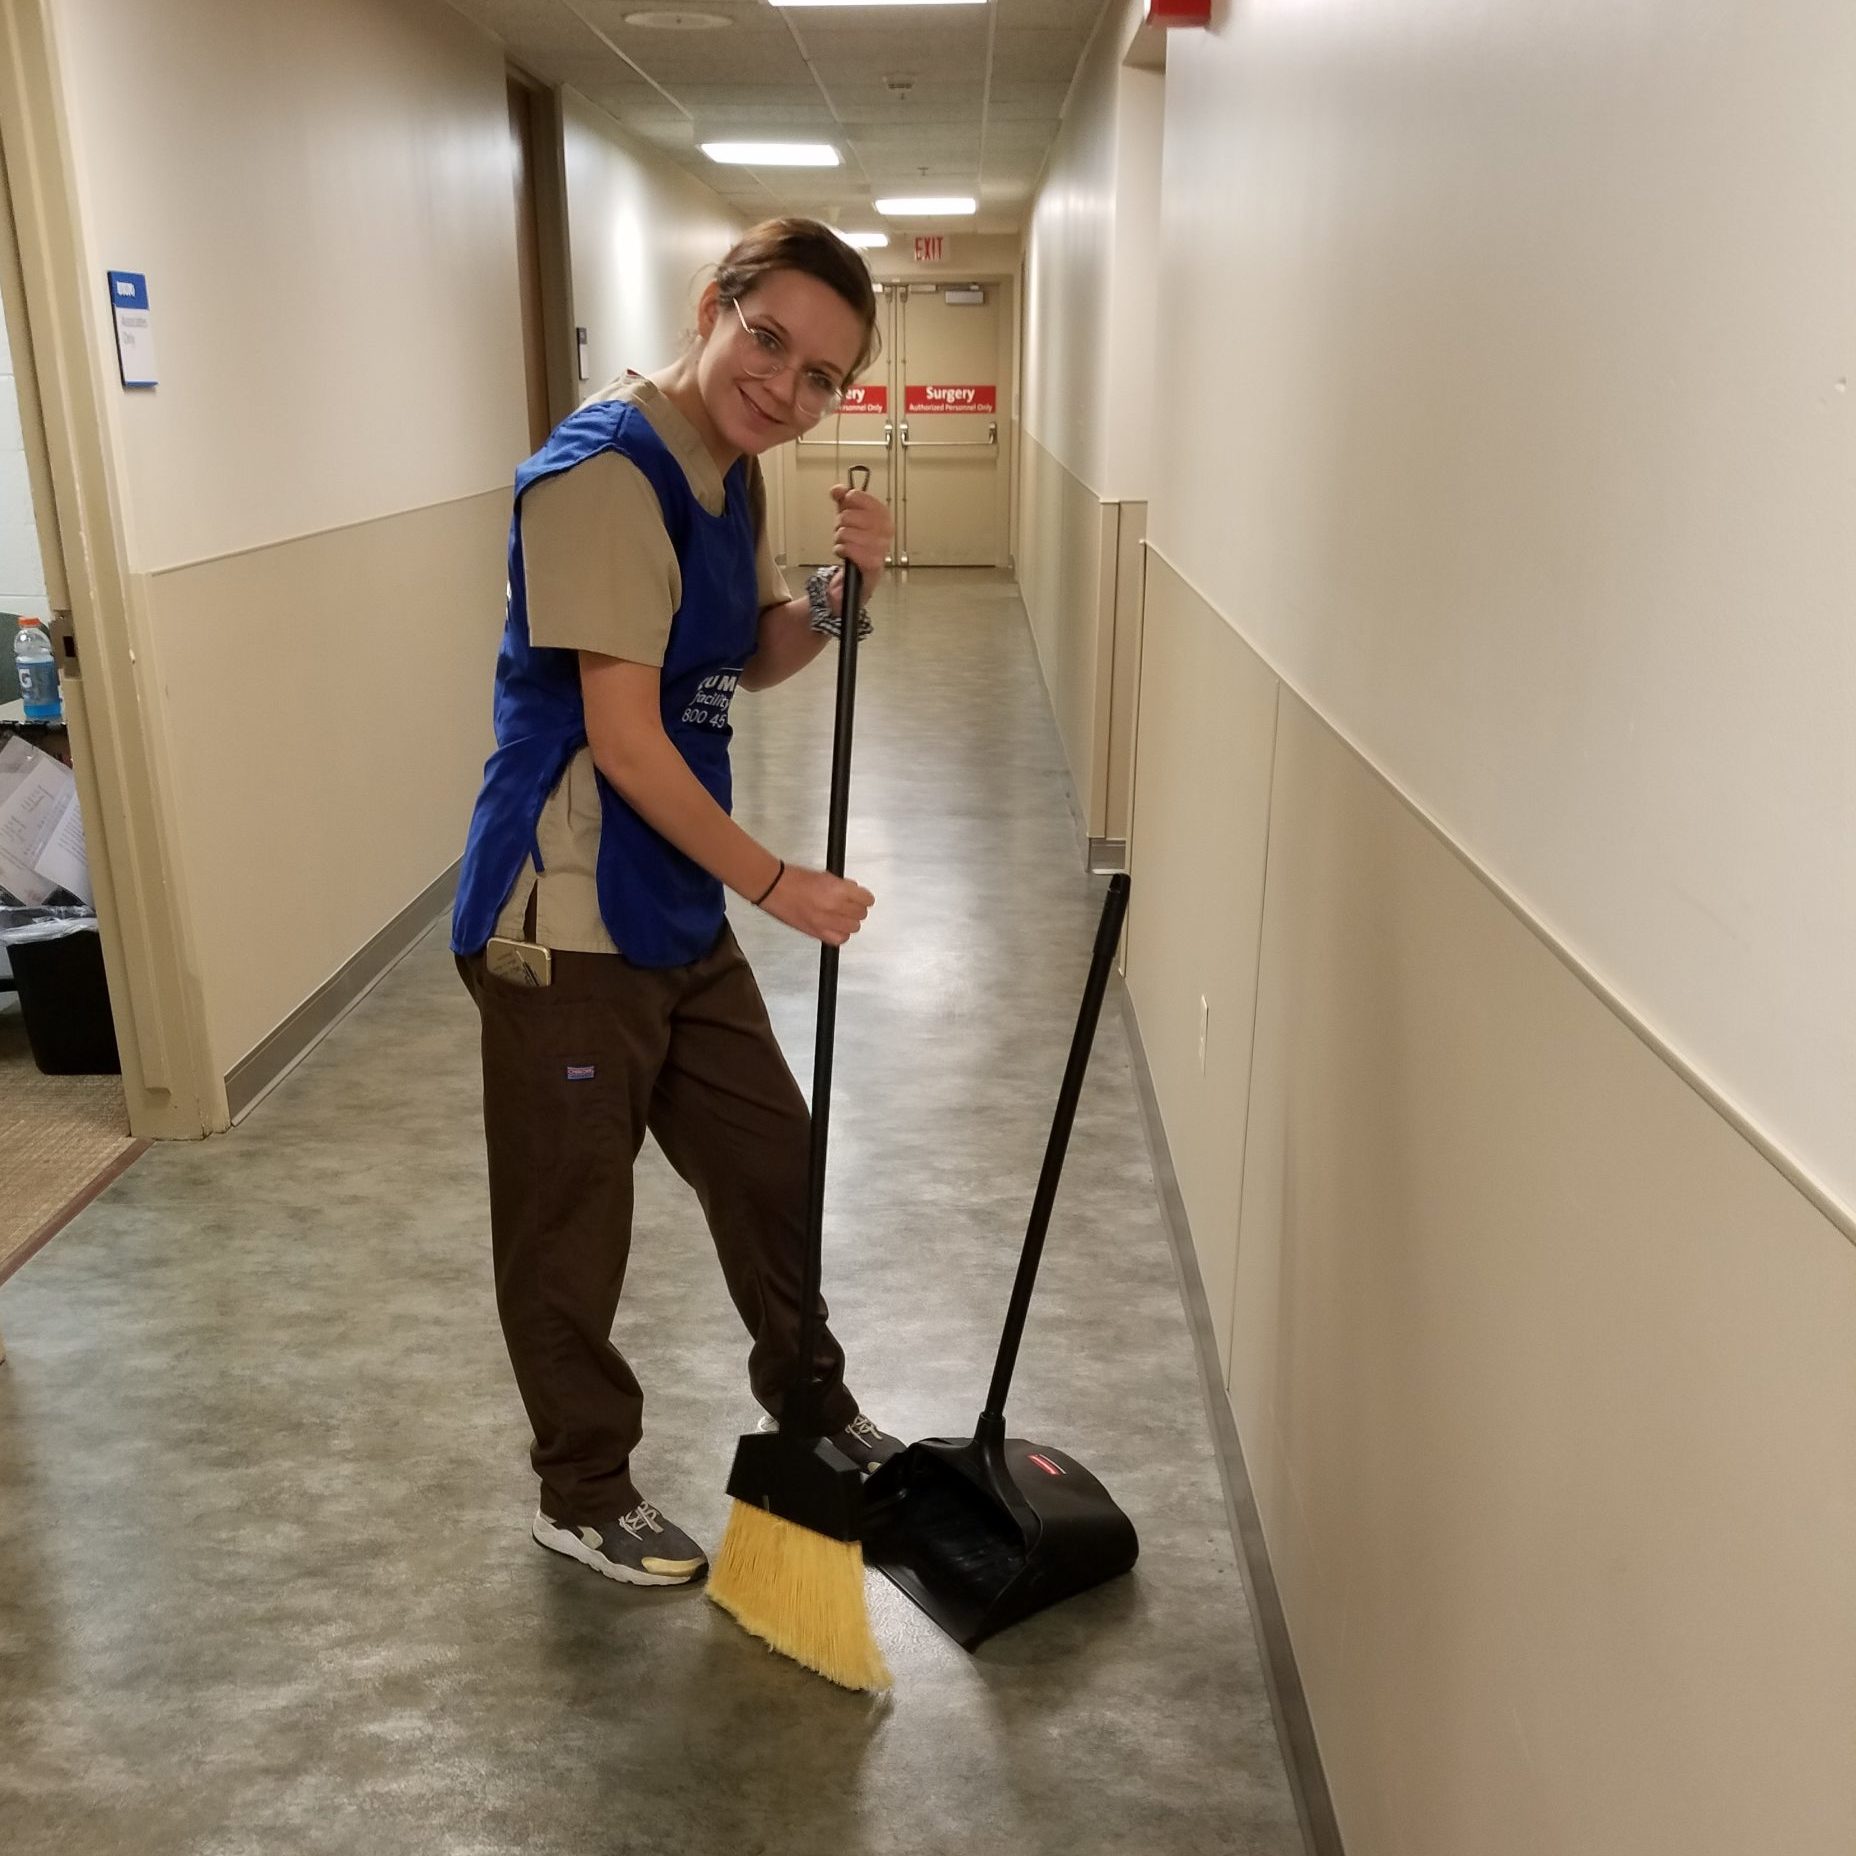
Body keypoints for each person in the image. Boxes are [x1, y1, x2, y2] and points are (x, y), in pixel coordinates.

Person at [452, 218, 903, 1589]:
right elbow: (627, 736)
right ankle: (582, 1487)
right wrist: (779, 884)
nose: (784, 385)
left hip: (671, 901)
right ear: (716, 305)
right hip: (565, 916)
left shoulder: (736, 475)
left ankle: (812, 1409)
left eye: (821, 375)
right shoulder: (599, 474)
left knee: (773, 1158)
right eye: (769, 340)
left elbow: (745, 661)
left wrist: (836, 598)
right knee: (572, 1220)